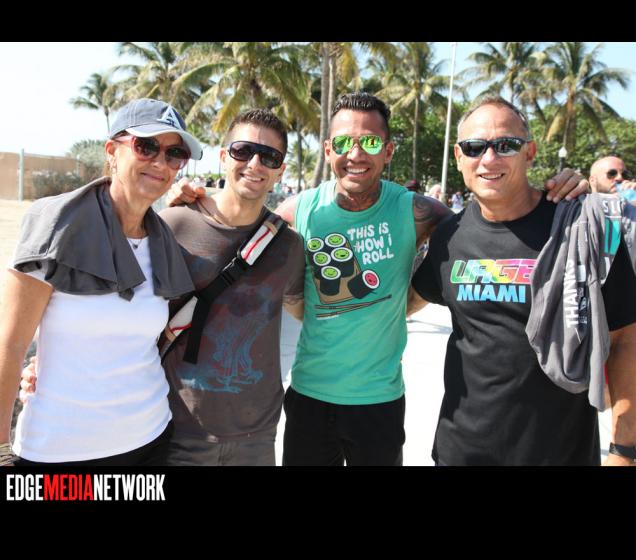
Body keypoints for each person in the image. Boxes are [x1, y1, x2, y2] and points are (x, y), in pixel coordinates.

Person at [166, 92, 590, 466]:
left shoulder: (417, 212)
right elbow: (235, 231)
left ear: (387, 151)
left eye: (369, 143)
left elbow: (488, 219)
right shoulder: (299, 211)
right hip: (309, 396)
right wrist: (187, 199)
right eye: (344, 143)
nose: (356, 154)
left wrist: (561, 191)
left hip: (380, 402)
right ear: (328, 150)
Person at [408, 95, 636, 466]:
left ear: (529, 152)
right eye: (475, 147)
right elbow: (401, 304)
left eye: (506, 145)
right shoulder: (449, 236)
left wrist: (625, 451)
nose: (489, 158)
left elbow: (626, 339)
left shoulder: (583, 229)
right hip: (461, 452)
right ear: (459, 156)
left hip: (561, 456)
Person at [0, 98, 200, 466]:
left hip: (151, 440)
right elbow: (9, 348)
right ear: (112, 151)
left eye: (175, 154)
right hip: (59, 453)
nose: (160, 162)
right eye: (146, 146)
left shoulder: (165, 242)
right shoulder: (56, 224)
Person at [146, 109, 305, 466]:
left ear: (280, 170)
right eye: (243, 151)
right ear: (223, 157)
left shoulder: (289, 246)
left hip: (257, 438)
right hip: (178, 431)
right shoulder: (173, 224)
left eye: (269, 157)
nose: (255, 164)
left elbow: (307, 310)